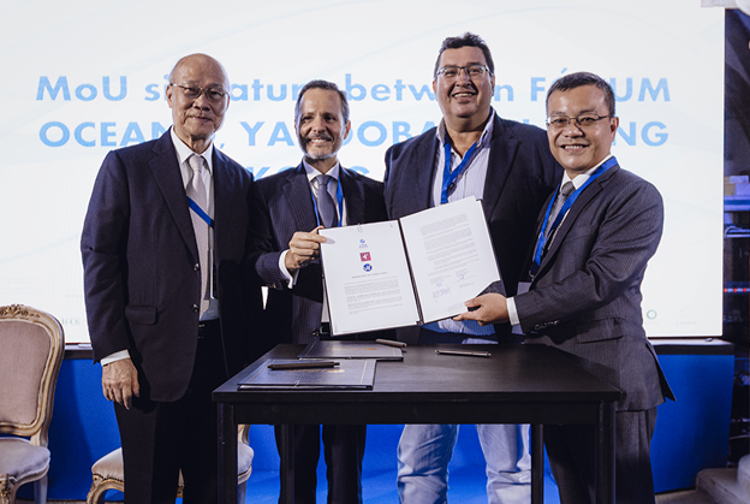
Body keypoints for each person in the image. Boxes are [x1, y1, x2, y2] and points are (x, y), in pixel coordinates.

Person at [455, 71, 675, 504]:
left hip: (611, 379)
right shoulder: (554, 197)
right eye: (558, 121)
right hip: (559, 378)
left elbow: (599, 282)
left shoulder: (636, 196)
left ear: (612, 126)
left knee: (619, 497)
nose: (571, 131)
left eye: (586, 119)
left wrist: (511, 309)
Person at [383, 33, 560, 504]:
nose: (462, 80)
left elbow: (553, 242)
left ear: (492, 81)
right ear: (434, 85)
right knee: (417, 467)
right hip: (426, 342)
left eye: (474, 69)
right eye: (450, 71)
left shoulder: (538, 148)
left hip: (503, 341)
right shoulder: (403, 156)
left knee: (513, 472)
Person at [81, 53, 262, 504]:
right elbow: (98, 258)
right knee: (150, 491)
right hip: (146, 364)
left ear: (226, 103)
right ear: (169, 96)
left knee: (213, 490)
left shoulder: (240, 179)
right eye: (191, 90)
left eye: (214, 93)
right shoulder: (127, 166)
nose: (202, 101)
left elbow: (246, 273)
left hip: (220, 363)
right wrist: (113, 354)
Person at [250, 79, 388, 504]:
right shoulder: (265, 191)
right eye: (308, 117)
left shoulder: (375, 193)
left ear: (347, 127)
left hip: (357, 351)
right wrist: (285, 262)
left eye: (329, 117)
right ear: (295, 125)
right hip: (291, 351)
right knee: (295, 471)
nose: (318, 126)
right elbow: (254, 261)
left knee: (348, 474)